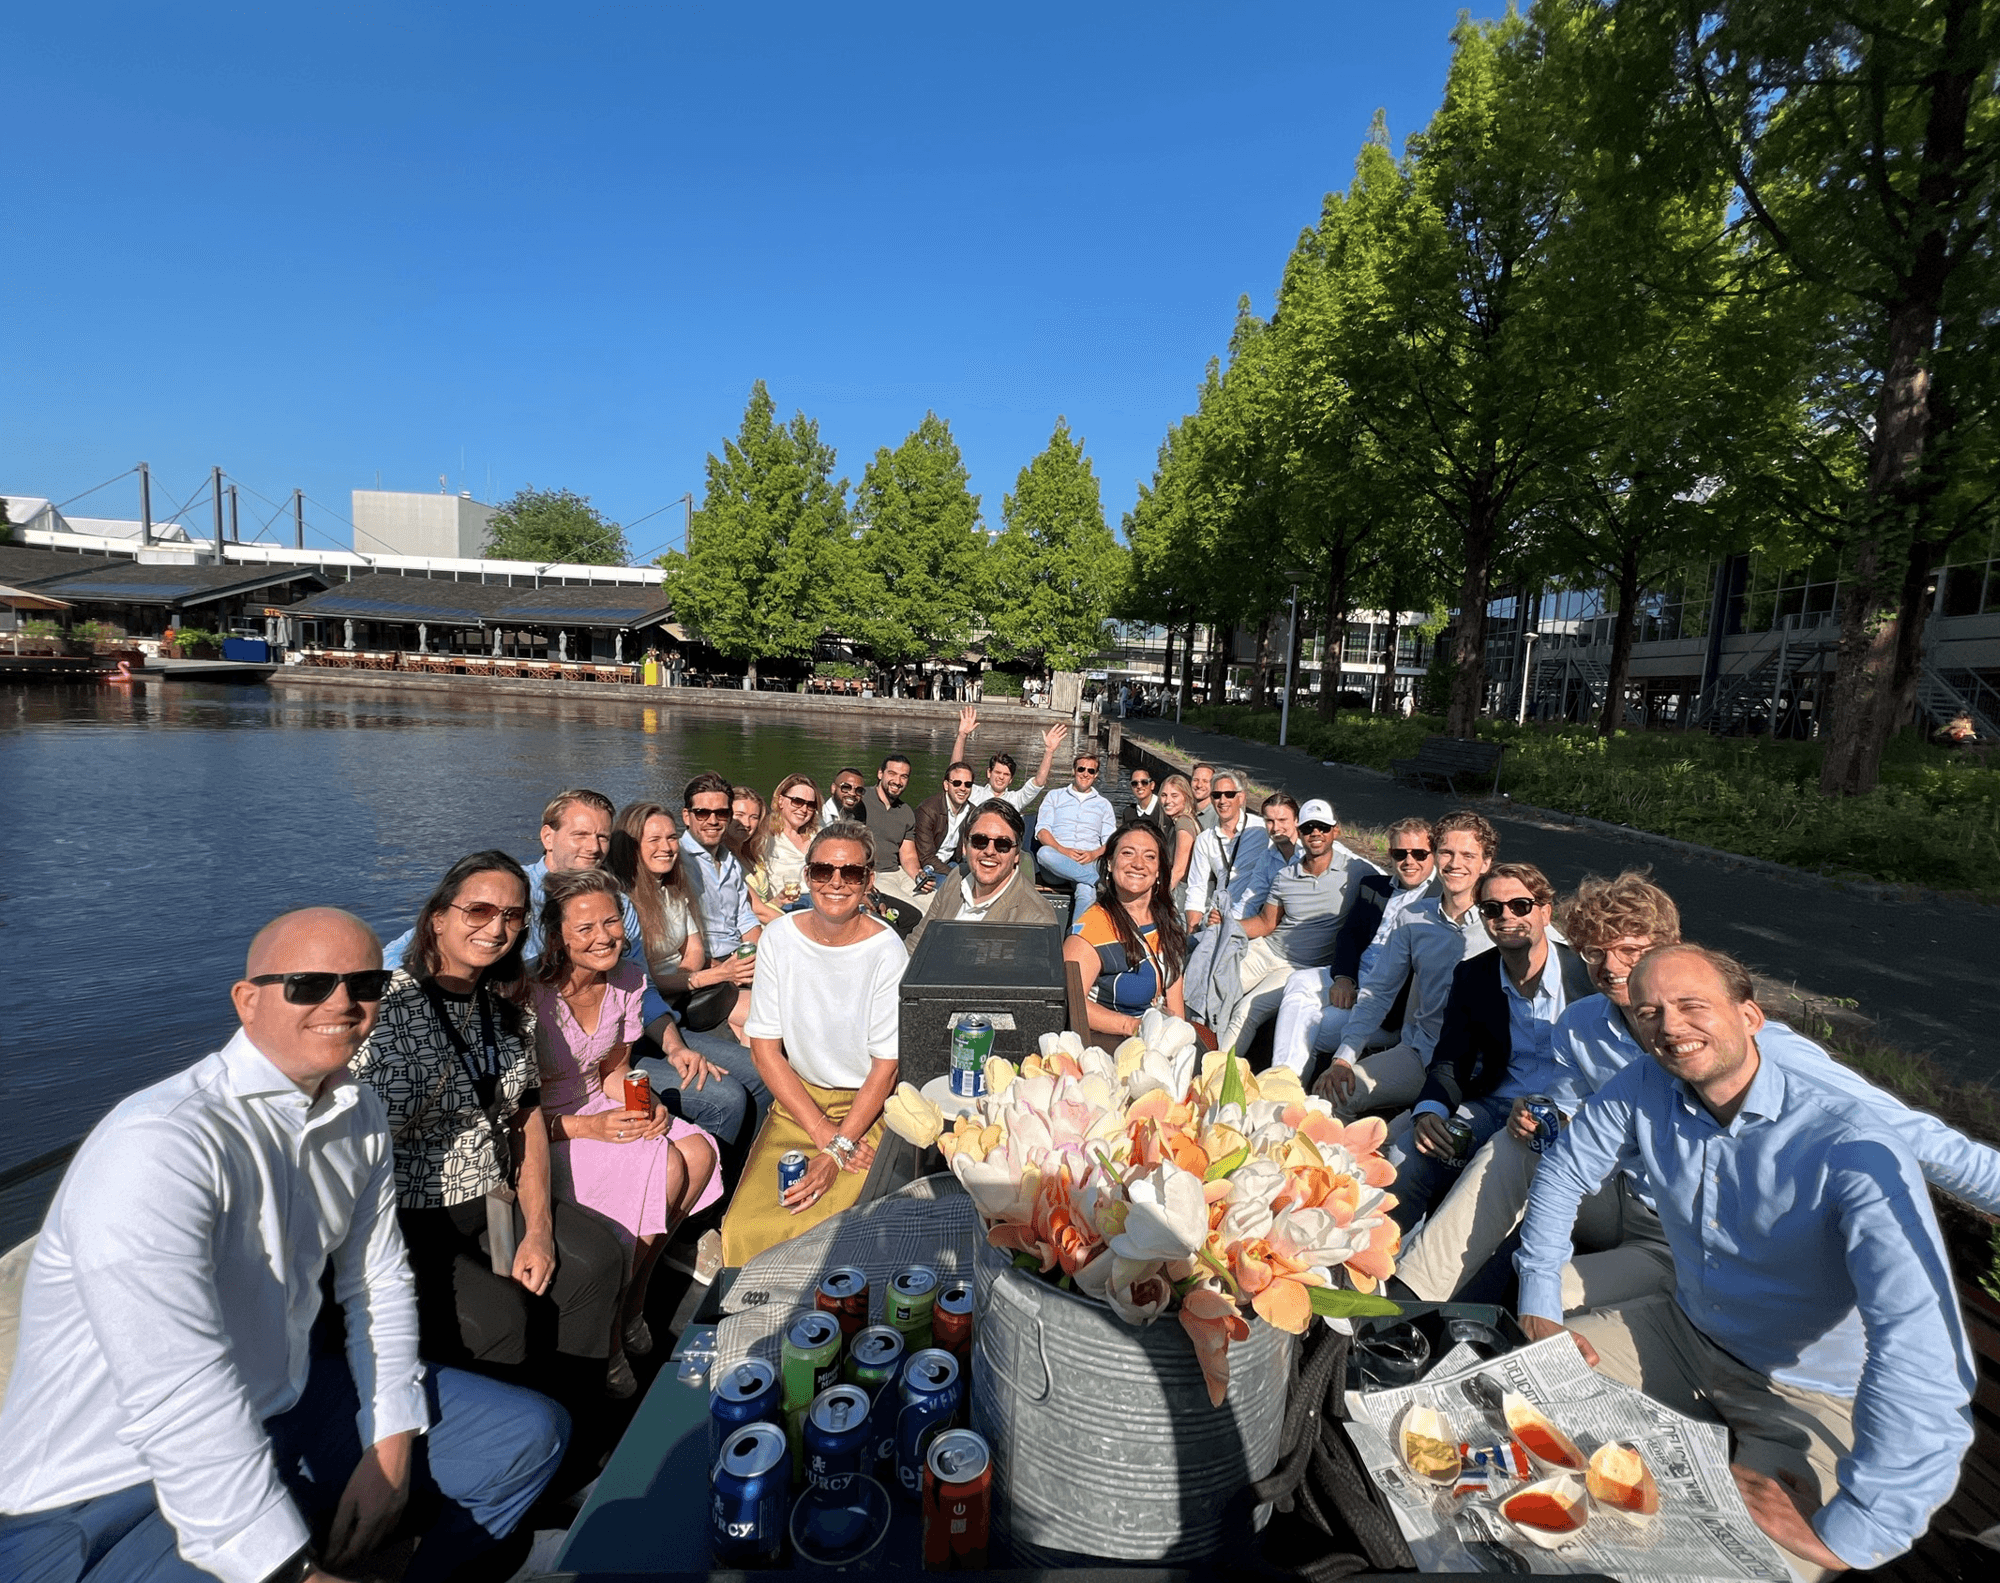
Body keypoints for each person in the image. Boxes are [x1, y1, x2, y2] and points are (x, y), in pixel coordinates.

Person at [0, 908, 568, 1583]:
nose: (343, 1002)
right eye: (307, 983)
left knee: (530, 1436)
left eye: (365, 984)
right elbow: (179, 1391)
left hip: (284, 1403)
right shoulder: (162, 1143)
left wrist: (391, 1440)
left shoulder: (355, 1110)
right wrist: (288, 1569)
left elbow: (377, 1280)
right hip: (108, 1479)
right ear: (247, 999)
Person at [1518, 946, 1977, 1577]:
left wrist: (1864, 1528)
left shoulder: (1850, 1146)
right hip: (1685, 1334)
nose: (1671, 1026)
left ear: (1752, 1017)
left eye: (1692, 1006)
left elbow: (1922, 1348)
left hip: (1806, 1397)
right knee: (1521, 1397)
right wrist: (1540, 1300)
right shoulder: (1649, 1084)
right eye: (1649, 1012)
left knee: (1729, 1562)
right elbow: (1567, 1165)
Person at [350, 852, 627, 1398]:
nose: (496, 927)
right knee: (503, 1318)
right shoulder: (384, 1012)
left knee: (598, 1260)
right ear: (438, 918)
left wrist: (540, 1231)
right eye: (479, 910)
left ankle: (578, 1416)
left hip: (492, 1196)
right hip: (414, 1217)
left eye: (512, 916)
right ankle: (512, 1435)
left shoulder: (506, 1011)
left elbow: (525, 1120)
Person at [532, 870, 721, 1398]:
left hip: (599, 1104)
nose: (604, 936)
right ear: (557, 936)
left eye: (611, 921)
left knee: (696, 1151)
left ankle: (635, 1293)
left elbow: (612, 1072)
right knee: (668, 1166)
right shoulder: (528, 996)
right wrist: (587, 1126)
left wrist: (650, 1103)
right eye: (585, 927)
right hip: (546, 1127)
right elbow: (510, 1111)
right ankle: (613, 1329)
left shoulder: (628, 980)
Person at [718, 823, 909, 1264]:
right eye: (823, 871)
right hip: (799, 1102)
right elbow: (765, 1049)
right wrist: (826, 1137)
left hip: (866, 1106)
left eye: (851, 873)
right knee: (748, 1226)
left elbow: (887, 1067)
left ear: (869, 881)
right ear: (807, 877)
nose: (836, 883)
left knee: (831, 1233)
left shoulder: (886, 951)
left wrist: (839, 1148)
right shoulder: (780, 939)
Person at [1387, 862, 1593, 1235]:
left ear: (1545, 912)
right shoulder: (1473, 975)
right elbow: (1451, 1058)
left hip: (1566, 1117)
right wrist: (1430, 1110)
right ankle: (1376, 1261)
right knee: (1407, 1153)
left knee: (1489, 1172)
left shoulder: (1585, 975)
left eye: (1520, 905)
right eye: (1492, 909)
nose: (1506, 916)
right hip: (1494, 1102)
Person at [1297, 810, 1496, 1100]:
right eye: (1447, 853)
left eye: (1468, 856)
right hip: (1420, 1053)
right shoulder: (1412, 918)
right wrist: (1343, 1057)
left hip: (1477, 1070)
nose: (1455, 864)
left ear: (1486, 863)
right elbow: (1378, 991)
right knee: (1334, 1094)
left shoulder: (1501, 924)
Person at [606, 802, 759, 1151]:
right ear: (631, 847)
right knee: (728, 1094)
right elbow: (645, 982)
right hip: (650, 1022)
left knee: (760, 1065)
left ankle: (748, 1166)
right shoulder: (621, 904)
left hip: (677, 1003)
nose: (667, 846)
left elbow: (692, 950)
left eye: (672, 837)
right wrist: (709, 976)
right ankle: (718, 1179)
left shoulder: (672, 888)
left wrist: (690, 977)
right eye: (654, 839)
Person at [380, 788, 636, 968]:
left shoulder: (618, 905)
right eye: (580, 835)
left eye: (602, 837)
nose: (594, 847)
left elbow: (638, 979)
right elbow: (398, 954)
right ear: (548, 837)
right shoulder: (506, 889)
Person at [1216, 799, 1383, 1055]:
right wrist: (1224, 926)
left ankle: (1215, 1080)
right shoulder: (1285, 875)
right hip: (1266, 950)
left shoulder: (1356, 871)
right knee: (1214, 985)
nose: (1315, 833)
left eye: (1323, 827)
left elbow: (1397, 884)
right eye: (1308, 828)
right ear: (1300, 832)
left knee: (1247, 1009)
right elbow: (1265, 922)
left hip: (1299, 968)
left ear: (1335, 831)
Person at [1063, 820, 1190, 1040]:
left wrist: (1177, 1041)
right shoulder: (1089, 932)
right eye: (1128, 853)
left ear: (1159, 870)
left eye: (1150, 856)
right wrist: (1133, 1027)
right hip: (1108, 1046)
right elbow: (1071, 1003)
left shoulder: (1169, 923)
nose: (1138, 864)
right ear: (1110, 863)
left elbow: (1176, 1007)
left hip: (1161, 1042)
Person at [906, 799, 1058, 955]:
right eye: (980, 841)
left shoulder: (1037, 920)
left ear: (1016, 854)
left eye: (1002, 844)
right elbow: (917, 942)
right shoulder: (956, 877)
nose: (990, 851)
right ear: (965, 847)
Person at [681, 772, 762, 1044]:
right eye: (702, 812)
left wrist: (750, 963)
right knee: (769, 1016)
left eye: (721, 813)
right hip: (704, 974)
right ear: (686, 816)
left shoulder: (731, 863)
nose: (713, 820)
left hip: (738, 963)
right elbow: (675, 943)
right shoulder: (677, 862)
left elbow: (747, 922)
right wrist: (725, 969)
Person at [1033, 751, 1119, 922]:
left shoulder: (1104, 805)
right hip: (1057, 863)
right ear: (1074, 771)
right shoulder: (1054, 796)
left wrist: (1094, 854)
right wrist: (1063, 850)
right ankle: (1099, 880)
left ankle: (1075, 941)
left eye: (1091, 771)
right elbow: (1042, 831)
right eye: (1081, 769)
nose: (1085, 774)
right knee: (1044, 854)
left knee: (1086, 892)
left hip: (1089, 860)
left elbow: (1111, 841)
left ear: (1096, 775)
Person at [1183, 768, 1270, 934]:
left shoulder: (1261, 830)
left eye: (1229, 794)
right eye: (1216, 795)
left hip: (1254, 915)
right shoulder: (1205, 839)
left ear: (1241, 797)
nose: (1222, 800)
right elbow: (1197, 889)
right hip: (1218, 915)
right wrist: (1192, 934)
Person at [948, 709, 1069, 811]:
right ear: (989, 773)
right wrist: (962, 735)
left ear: (1011, 780)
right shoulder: (973, 792)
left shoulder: (1016, 799)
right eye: (997, 772)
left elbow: (1039, 782)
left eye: (1006, 774)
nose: (1001, 777)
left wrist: (1049, 751)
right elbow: (955, 771)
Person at [747, 773, 820, 922]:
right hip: (785, 906)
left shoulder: (818, 836)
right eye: (797, 801)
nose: (804, 809)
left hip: (819, 903)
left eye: (810, 805)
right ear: (780, 801)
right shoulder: (764, 835)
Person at [863, 753, 923, 904]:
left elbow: (908, 856)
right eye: (892, 774)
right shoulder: (861, 799)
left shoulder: (906, 811)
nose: (897, 781)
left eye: (904, 776)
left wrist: (919, 876)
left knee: (937, 904)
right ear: (880, 773)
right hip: (875, 875)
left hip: (899, 872)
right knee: (916, 909)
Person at [911, 760, 979, 891]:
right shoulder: (928, 810)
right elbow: (926, 857)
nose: (963, 788)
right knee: (953, 889)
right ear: (946, 785)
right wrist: (955, 876)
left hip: (953, 863)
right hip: (928, 867)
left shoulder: (973, 812)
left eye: (968, 784)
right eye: (957, 783)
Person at [1158, 772, 1201, 907]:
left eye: (1174, 795)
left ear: (1186, 798)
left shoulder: (1183, 823)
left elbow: (1179, 869)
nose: (1168, 801)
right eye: (1164, 795)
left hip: (1182, 893)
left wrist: (1159, 897)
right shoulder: (1175, 823)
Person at [727, 786, 766, 867]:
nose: (747, 823)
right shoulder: (717, 858)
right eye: (740, 815)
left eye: (753, 817)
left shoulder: (756, 857)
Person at [1260, 793, 1300, 867]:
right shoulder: (1266, 857)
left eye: (1282, 820)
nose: (1275, 828)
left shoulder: (1309, 852)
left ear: (1296, 820)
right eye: (1270, 821)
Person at [1128, 765, 1164, 830]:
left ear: (1152, 785)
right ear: (1131, 788)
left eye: (1144, 782)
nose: (1139, 786)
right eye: (1134, 783)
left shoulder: (1163, 810)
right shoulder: (1128, 812)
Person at [1189, 762, 1219, 830]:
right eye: (1195, 780)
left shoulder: (1217, 815)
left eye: (1205, 781)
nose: (1199, 785)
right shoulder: (1187, 809)